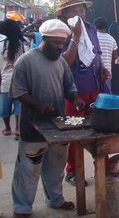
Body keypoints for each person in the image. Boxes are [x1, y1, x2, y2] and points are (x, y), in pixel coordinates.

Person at [9, 19, 85, 218]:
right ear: (44, 39)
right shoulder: (25, 61)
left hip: (58, 125)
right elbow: (18, 92)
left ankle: (55, 199)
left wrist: (75, 99)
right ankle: (22, 207)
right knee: (29, 168)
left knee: (56, 167)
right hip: (33, 126)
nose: (60, 47)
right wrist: (38, 104)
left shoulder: (61, 62)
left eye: (62, 43)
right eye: (56, 43)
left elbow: (69, 86)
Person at [55, 0, 110, 186]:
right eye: (74, 10)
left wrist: (103, 67)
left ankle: (103, 165)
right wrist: (75, 38)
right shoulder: (60, 32)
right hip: (73, 91)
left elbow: (96, 53)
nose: (79, 13)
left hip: (95, 87)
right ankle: (73, 170)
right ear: (65, 14)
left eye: (82, 9)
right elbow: (64, 63)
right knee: (75, 132)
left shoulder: (91, 29)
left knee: (100, 129)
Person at [0, 19, 29, 138]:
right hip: (20, 81)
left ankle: (7, 128)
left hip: (4, 81)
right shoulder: (24, 44)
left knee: (4, 107)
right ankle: (18, 128)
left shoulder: (1, 44)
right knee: (19, 106)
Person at [93, 17, 118, 90]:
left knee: (94, 97)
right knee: (106, 96)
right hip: (107, 72)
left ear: (94, 26)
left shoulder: (93, 37)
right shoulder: (111, 39)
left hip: (94, 71)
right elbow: (115, 57)